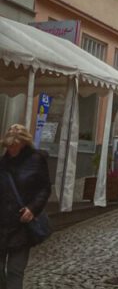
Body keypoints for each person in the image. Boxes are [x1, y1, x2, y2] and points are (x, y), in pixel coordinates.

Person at [0, 124, 51, 289]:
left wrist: (33, 208)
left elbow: (44, 188)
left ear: (23, 143)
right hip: (1, 223)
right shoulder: (3, 162)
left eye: (14, 145)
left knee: (15, 270)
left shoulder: (36, 160)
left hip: (21, 224)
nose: (11, 149)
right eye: (8, 146)